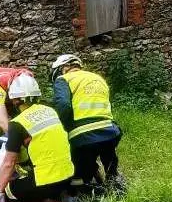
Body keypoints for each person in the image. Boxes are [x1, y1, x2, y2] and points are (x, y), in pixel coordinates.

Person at [0, 75, 75, 202]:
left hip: (46, 182)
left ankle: (45, 200)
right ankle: (56, 196)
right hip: (68, 178)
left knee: (8, 192)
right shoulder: (51, 111)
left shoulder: (18, 123)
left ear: (15, 100)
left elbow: (9, 163)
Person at [50, 54, 124, 192]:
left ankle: (84, 195)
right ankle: (116, 186)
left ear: (63, 68)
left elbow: (64, 106)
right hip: (110, 131)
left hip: (83, 136)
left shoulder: (63, 79)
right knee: (110, 162)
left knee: (80, 173)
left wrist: (63, 127)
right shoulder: (98, 78)